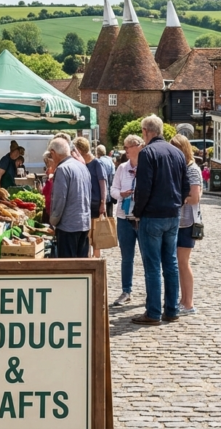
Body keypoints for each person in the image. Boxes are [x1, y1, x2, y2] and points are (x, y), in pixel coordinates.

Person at [131, 115, 189, 326]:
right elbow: (185, 186)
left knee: (153, 266)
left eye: (142, 132)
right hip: (173, 215)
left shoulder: (148, 152)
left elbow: (143, 187)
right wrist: (177, 203)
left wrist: (137, 211)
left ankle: (154, 312)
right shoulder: (177, 152)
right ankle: (172, 309)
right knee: (171, 264)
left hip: (153, 215)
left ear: (147, 131)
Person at [109, 134, 144, 306]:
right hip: (124, 218)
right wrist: (120, 194)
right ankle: (126, 291)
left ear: (139, 146)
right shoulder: (122, 168)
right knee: (126, 257)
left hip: (143, 218)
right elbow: (113, 189)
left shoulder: (147, 166)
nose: (126, 150)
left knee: (148, 257)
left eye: (129, 146)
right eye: (125, 147)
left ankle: (151, 293)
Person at [171, 135, 202, 315]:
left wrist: (175, 198)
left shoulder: (192, 170)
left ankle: (188, 303)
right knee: (179, 262)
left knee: (183, 262)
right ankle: (183, 300)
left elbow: (195, 197)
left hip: (187, 222)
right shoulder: (183, 168)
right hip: (180, 221)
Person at [48, 137, 91, 258]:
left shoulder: (62, 169)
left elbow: (59, 199)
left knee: (69, 267)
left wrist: (53, 221)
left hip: (68, 226)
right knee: (82, 266)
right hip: (84, 223)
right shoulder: (82, 166)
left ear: (53, 152)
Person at [74, 137, 107, 258]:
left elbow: (103, 184)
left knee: (96, 233)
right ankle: (87, 258)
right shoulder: (80, 163)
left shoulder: (96, 163)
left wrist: (103, 203)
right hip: (84, 203)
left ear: (80, 150)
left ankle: (96, 258)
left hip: (95, 203)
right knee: (86, 234)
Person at [40, 151, 56, 224]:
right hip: (48, 209)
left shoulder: (57, 173)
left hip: (52, 211)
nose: (47, 166)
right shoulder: (50, 172)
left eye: (47, 162)